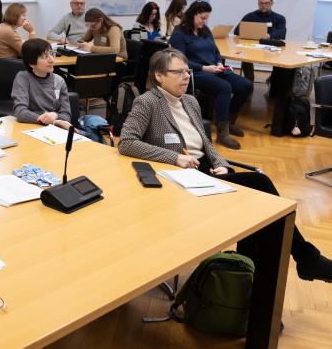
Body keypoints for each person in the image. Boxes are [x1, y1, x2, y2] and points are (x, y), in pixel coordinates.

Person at [118, 48, 332, 283]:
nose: (186, 76)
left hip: (206, 173)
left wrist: (223, 166)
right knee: (259, 186)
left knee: (261, 208)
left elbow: (206, 144)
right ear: (159, 76)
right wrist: (175, 158)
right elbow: (127, 142)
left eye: (187, 71)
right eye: (178, 72)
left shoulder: (190, 101)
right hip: (179, 180)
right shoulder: (147, 102)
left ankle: (252, 282)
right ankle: (304, 260)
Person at [169, 1, 253, 149]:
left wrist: (219, 63)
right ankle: (222, 133)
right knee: (224, 87)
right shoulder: (179, 34)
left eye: (206, 18)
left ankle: (229, 120)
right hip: (195, 73)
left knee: (246, 85)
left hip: (214, 69)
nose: (204, 21)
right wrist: (205, 68)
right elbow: (180, 60)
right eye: (202, 18)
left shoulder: (205, 30)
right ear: (192, 15)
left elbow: (215, 52)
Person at [11, 38, 71, 130]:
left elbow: (66, 116)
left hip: (54, 131)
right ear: (32, 63)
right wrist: (52, 121)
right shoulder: (23, 78)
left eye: (52, 54)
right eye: (45, 57)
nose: (52, 60)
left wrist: (54, 115)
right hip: (29, 128)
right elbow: (20, 113)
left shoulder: (59, 81)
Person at [233, 0, 288, 82]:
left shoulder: (280, 18)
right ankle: (249, 80)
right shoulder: (250, 16)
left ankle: (272, 80)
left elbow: (281, 32)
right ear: (258, 3)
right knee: (245, 55)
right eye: (261, 3)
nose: (263, 5)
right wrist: (252, 33)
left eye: (267, 3)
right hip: (252, 46)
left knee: (280, 60)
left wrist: (269, 35)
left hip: (271, 46)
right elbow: (236, 31)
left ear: (272, 4)